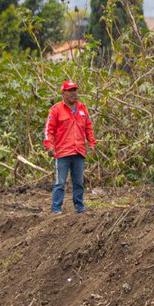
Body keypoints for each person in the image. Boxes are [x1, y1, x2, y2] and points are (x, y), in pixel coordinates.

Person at [43, 79, 97, 214]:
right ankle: (56, 209)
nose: (74, 93)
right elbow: (48, 129)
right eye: (70, 91)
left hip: (79, 151)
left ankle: (79, 207)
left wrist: (91, 143)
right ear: (63, 93)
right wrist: (49, 146)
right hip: (62, 152)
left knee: (78, 182)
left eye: (75, 90)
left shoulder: (82, 108)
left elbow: (88, 127)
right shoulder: (56, 109)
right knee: (60, 182)